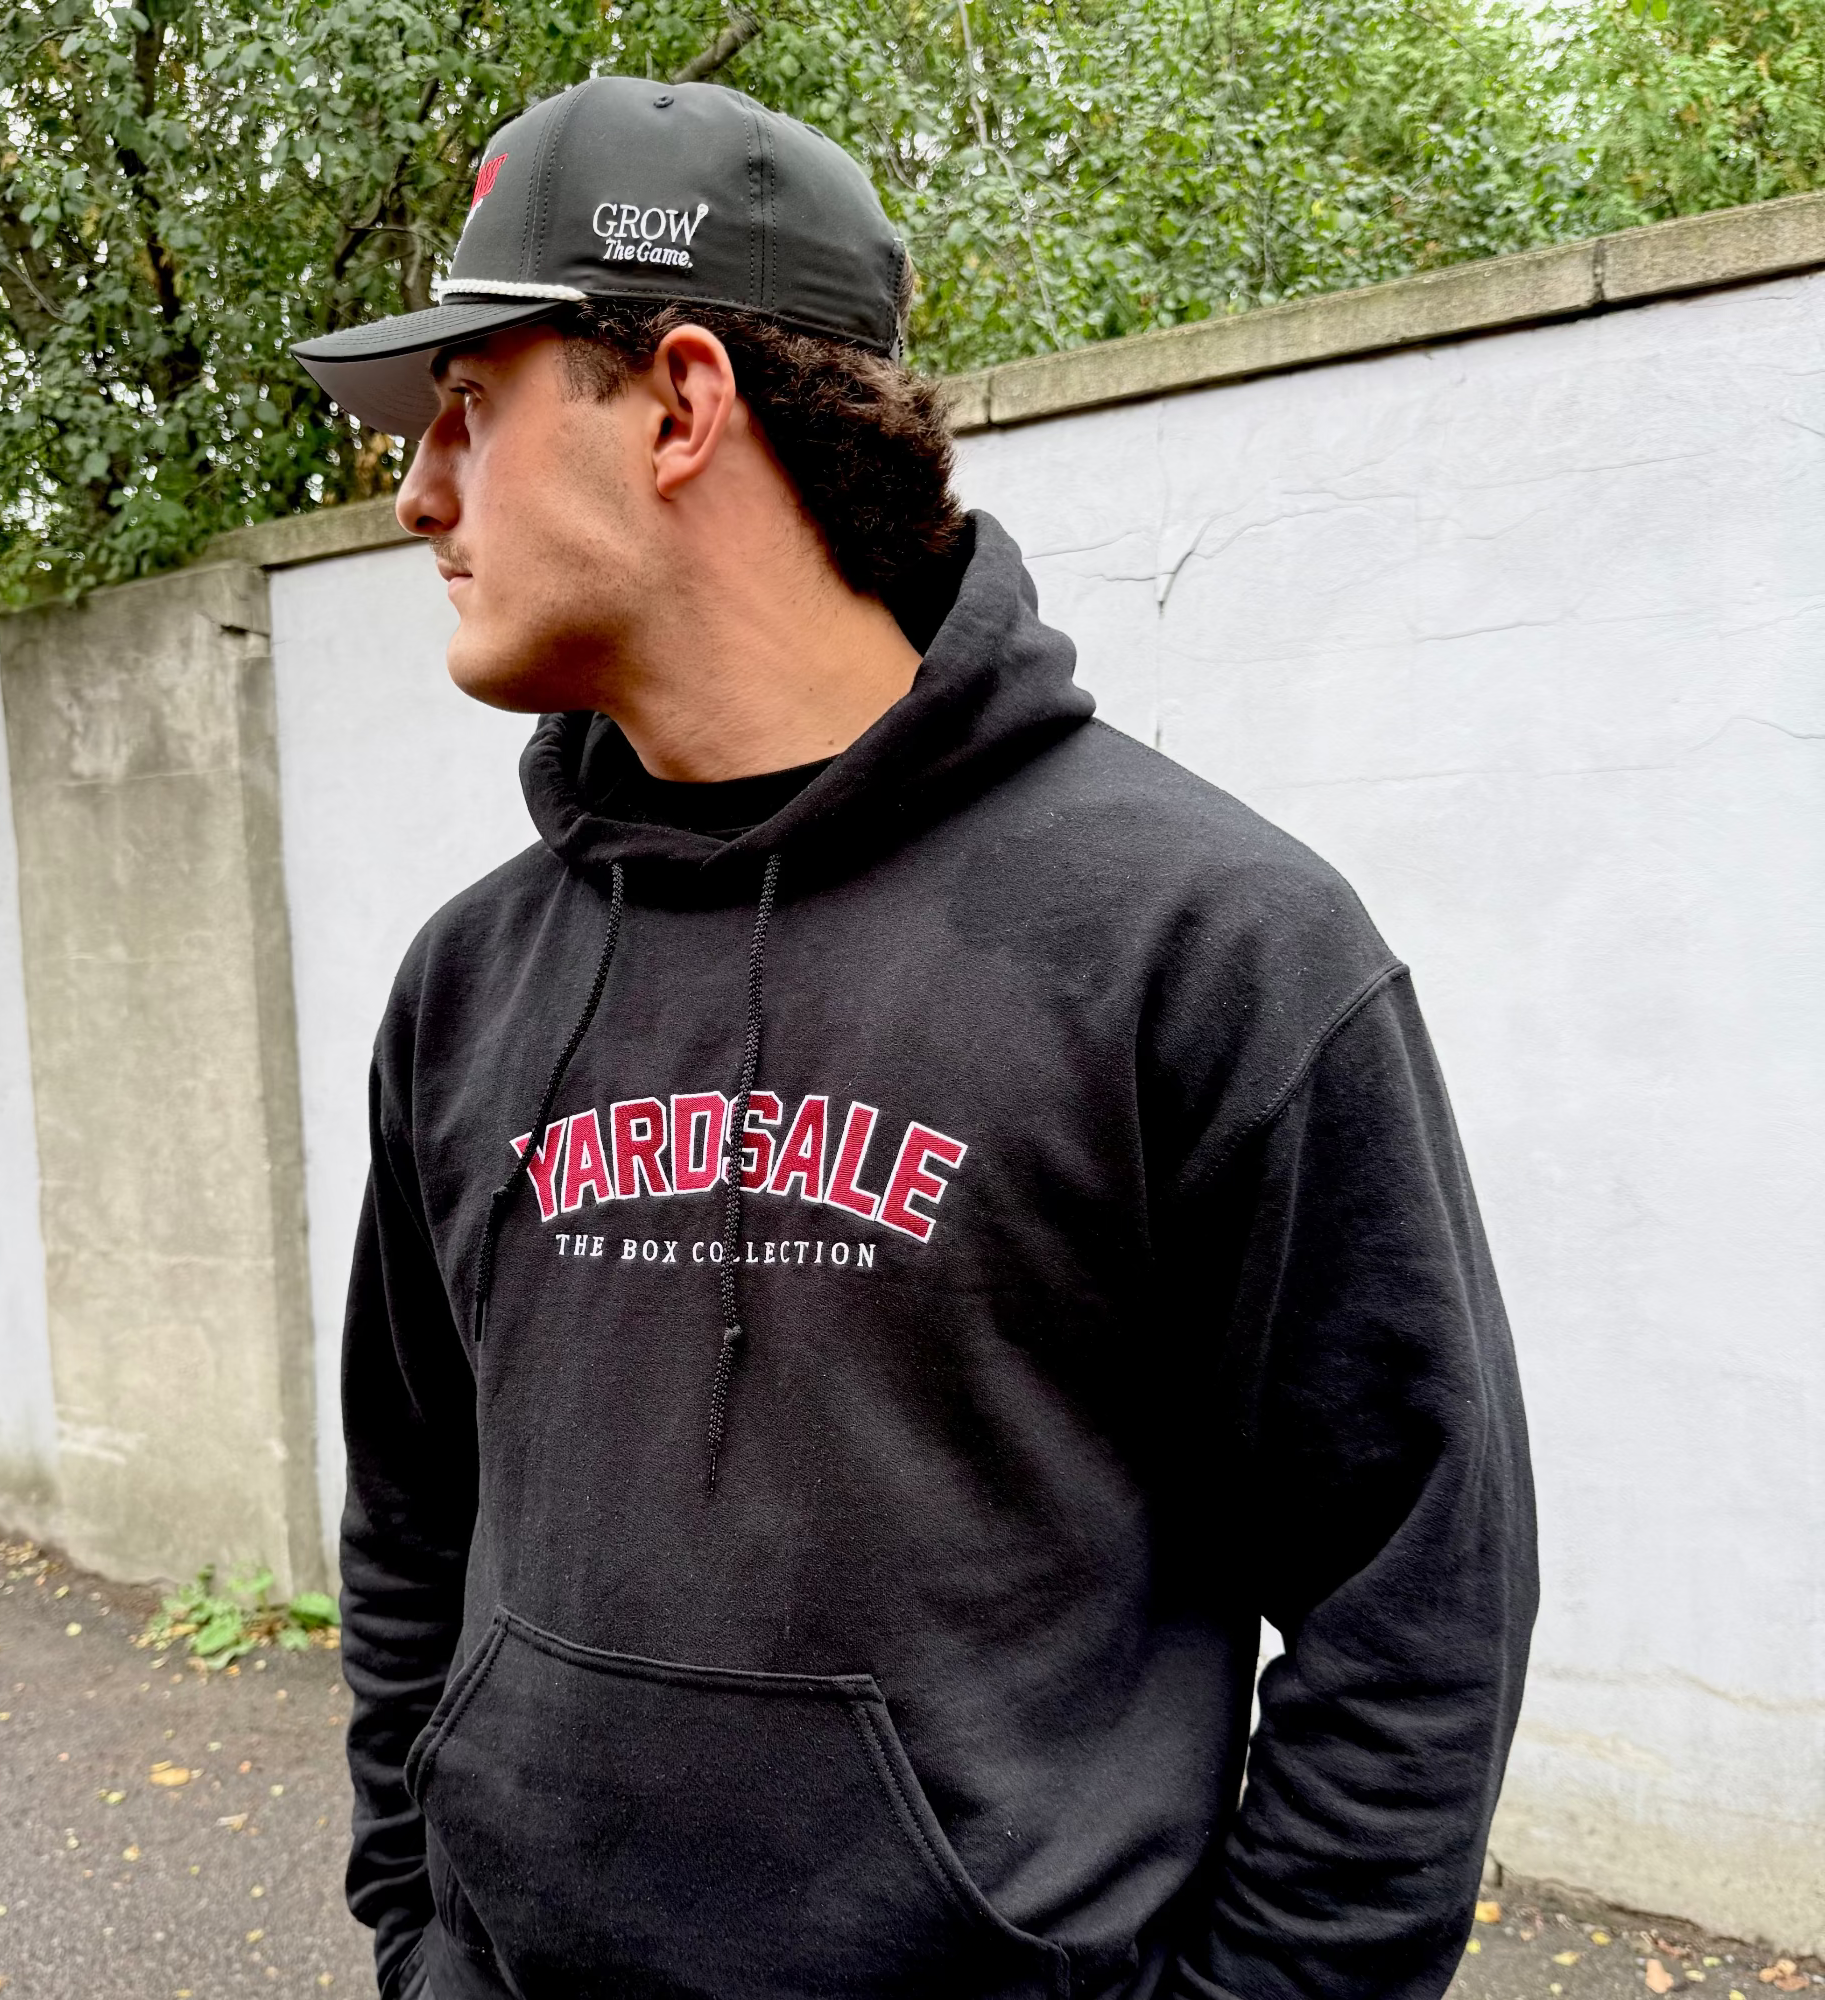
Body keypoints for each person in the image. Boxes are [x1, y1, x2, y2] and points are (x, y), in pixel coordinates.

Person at [293, 74, 1536, 2000]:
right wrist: (414, 1935)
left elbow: (1418, 1590)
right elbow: (407, 1518)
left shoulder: (1206, 948)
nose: (419, 491)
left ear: (682, 403)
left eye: (472, 404)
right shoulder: (470, 986)